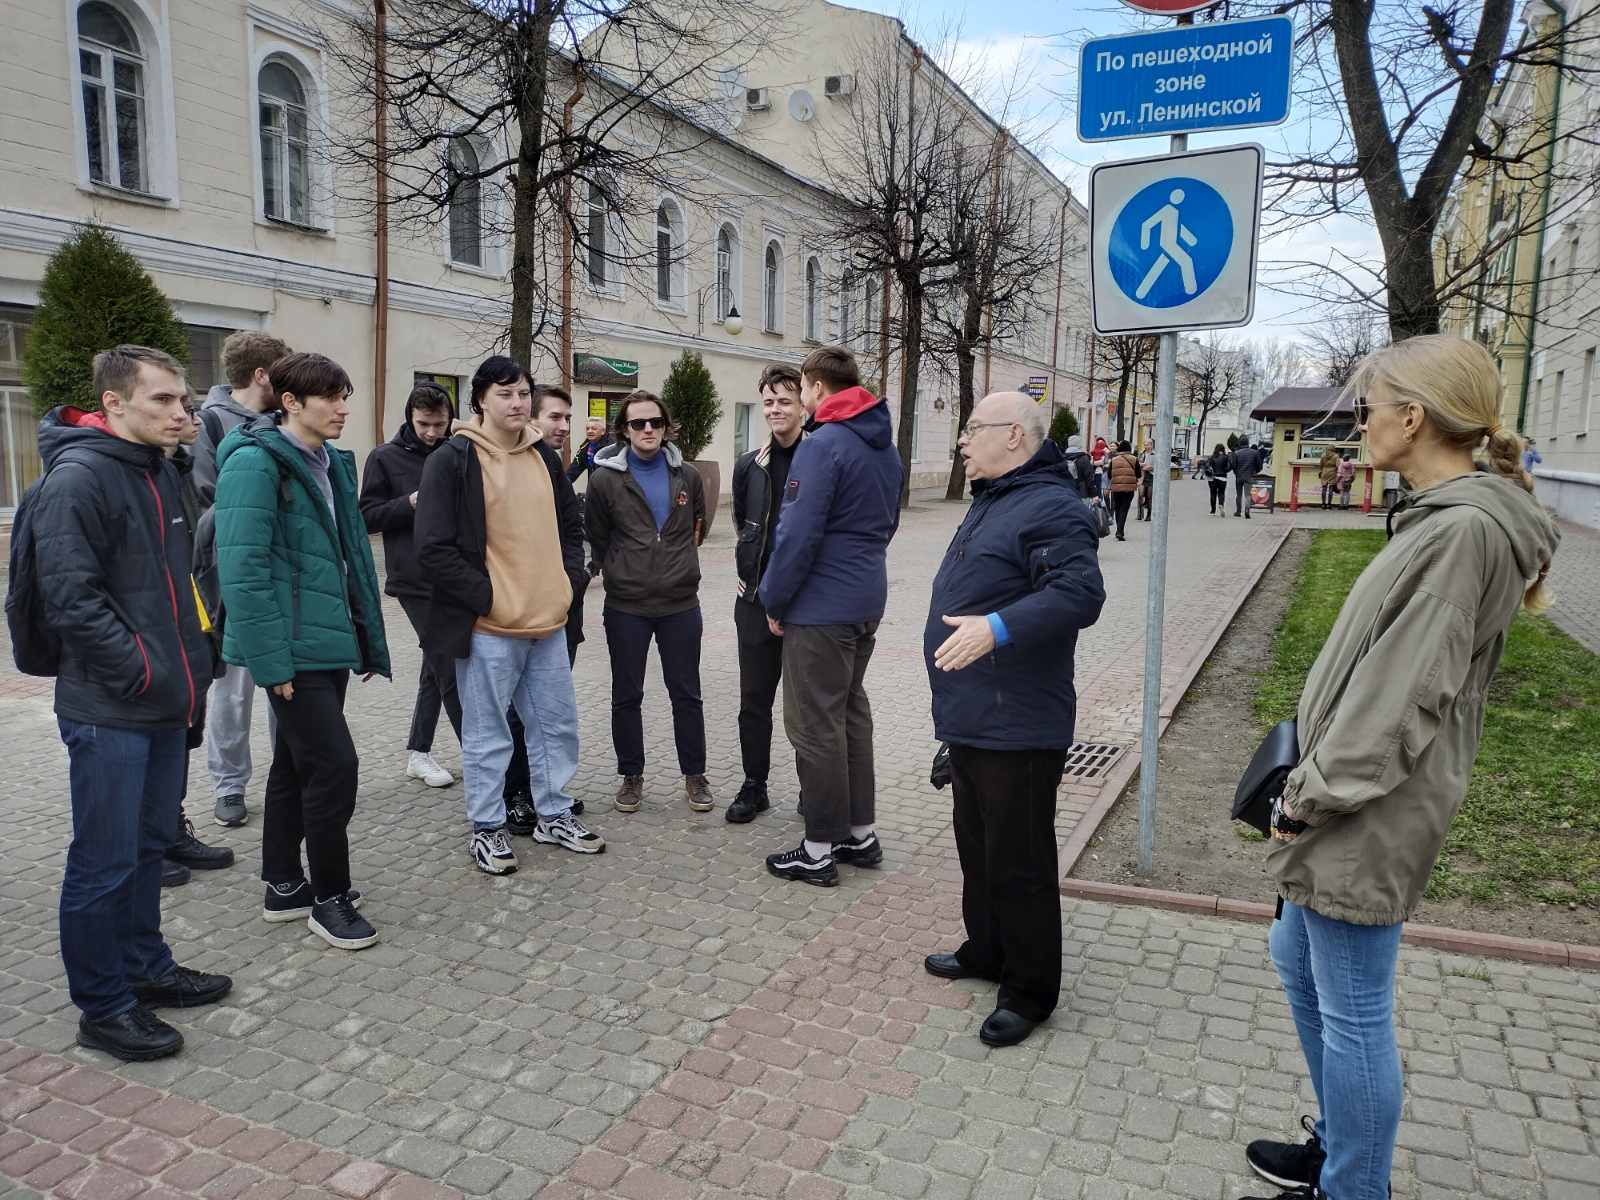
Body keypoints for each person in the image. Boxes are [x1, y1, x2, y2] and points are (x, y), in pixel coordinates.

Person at [1243, 336, 1557, 1200]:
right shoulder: (1448, 518)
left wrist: (1309, 795)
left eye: (1370, 408)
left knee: (1353, 1011)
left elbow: (1401, 696)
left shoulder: (1461, 532)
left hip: (1369, 803)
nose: (1361, 426)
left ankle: (1353, 1187)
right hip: (1354, 792)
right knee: (1294, 957)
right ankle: (1344, 1148)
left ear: (1412, 418)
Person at [32, 346, 229, 1061]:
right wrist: (148, 672)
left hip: (163, 703)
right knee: (103, 861)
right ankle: (104, 1005)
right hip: (112, 708)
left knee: (148, 852)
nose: (183, 414)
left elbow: (172, 593)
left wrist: (192, 670)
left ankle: (146, 970)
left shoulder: (157, 471)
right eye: (164, 402)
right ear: (114, 405)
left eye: (184, 400)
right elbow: (71, 602)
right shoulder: (80, 479)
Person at [922, 391, 1105, 1047]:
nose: (962, 441)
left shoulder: (1054, 506)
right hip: (975, 718)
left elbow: (1080, 594)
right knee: (980, 850)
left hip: (1020, 725)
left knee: (1020, 861)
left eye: (973, 430)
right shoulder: (996, 499)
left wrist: (997, 628)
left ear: (1016, 437)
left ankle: (1029, 990)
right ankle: (987, 951)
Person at [214, 352, 390, 951]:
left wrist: (362, 637)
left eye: (346, 395)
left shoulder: (328, 461)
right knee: (335, 766)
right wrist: (270, 660)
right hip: (288, 648)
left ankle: (285, 885)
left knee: (295, 762)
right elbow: (243, 569)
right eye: (332, 398)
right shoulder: (257, 464)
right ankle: (329, 898)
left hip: (322, 641)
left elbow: (349, 557)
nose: (344, 408)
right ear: (291, 402)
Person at [416, 357, 600, 875]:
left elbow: (571, 525)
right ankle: (487, 826)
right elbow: (433, 548)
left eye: (522, 393)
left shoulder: (543, 456)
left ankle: (554, 813)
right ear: (480, 400)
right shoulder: (452, 460)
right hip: (489, 627)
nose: (517, 403)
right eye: (505, 395)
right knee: (487, 734)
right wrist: (487, 598)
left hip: (549, 621)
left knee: (556, 726)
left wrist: (570, 580)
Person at [759, 345, 902, 886]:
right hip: (866, 599)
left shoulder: (823, 445)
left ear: (815, 388)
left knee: (814, 723)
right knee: (849, 715)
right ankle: (859, 834)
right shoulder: (884, 445)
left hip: (821, 608)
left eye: (802, 389)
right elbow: (887, 524)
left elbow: (797, 534)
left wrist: (775, 599)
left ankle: (818, 848)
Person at [586, 389, 712, 816]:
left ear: (666, 427)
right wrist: (621, 568)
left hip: (680, 602)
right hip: (627, 605)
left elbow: (699, 526)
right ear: (624, 430)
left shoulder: (688, 476)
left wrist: (675, 563)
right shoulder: (605, 479)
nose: (647, 430)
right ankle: (631, 775)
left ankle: (694, 775)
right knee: (626, 694)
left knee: (687, 693)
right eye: (638, 423)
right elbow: (598, 537)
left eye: (654, 423)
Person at [193, 331, 292, 829]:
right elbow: (208, 504)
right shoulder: (209, 424)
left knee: (287, 687)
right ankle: (229, 786)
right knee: (233, 693)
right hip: (233, 578)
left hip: (286, 578)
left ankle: (288, 778)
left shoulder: (286, 421)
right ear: (262, 376)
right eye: (284, 371)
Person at [360, 383, 460, 789]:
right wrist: (412, 503)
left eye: (440, 424)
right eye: (424, 424)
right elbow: (367, 516)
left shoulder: (455, 451)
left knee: (435, 665)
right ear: (409, 417)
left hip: (457, 576)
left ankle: (418, 753)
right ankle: (484, 753)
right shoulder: (384, 457)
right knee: (449, 663)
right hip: (413, 579)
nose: (433, 432)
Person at [500, 383, 589, 830]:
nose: (564, 426)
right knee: (516, 713)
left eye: (568, 419)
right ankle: (514, 794)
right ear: (529, 417)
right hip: (514, 616)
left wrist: (571, 585)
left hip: (559, 611)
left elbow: (572, 535)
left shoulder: (553, 464)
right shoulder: (503, 464)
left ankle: (547, 794)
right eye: (555, 417)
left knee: (550, 712)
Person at [727, 364, 807, 824]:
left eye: (785, 401)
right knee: (754, 701)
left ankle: (809, 789)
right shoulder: (748, 465)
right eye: (770, 401)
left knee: (803, 707)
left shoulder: (818, 457)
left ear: (802, 406)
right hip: (754, 602)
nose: (776, 409)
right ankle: (754, 785)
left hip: (803, 609)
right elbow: (743, 525)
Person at [162, 395, 235, 885]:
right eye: (174, 406)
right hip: (154, 644)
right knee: (152, 743)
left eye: (187, 407)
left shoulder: (179, 475)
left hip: (194, 626)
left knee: (180, 738)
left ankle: (170, 830)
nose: (191, 419)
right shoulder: (110, 478)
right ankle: (147, 847)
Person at [1106, 440, 1139, 541]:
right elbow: (1139, 474)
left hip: (1116, 488)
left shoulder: (1114, 460)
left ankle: (1119, 530)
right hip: (1129, 489)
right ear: (1129, 448)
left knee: (1117, 508)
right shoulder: (1134, 459)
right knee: (1124, 509)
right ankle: (1120, 531)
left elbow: (1109, 475)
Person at [567, 414, 613, 483]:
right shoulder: (585, 447)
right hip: (594, 486)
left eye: (594, 429)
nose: (590, 431)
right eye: (587, 429)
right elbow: (574, 469)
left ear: (603, 431)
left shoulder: (611, 447)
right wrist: (564, 483)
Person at [1231, 439, 1263, 518]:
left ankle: (1238, 511)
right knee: (1248, 495)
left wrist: (1236, 473)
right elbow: (1259, 465)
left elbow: (1233, 466)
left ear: (1240, 444)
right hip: (1249, 476)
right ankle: (1247, 510)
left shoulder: (1236, 453)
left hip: (1239, 476)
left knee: (1239, 494)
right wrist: (1255, 472)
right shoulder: (1255, 452)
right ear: (1248, 443)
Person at [1062, 434, 1096, 499]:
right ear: (1079, 444)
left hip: (1066, 490)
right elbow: (1089, 477)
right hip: (1081, 491)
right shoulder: (1084, 458)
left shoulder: (1062, 458)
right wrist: (1094, 494)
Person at [1204, 443, 1231, 516]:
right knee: (1221, 493)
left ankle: (1212, 511)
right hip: (1222, 477)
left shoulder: (1212, 457)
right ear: (1223, 449)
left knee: (1213, 493)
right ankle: (1221, 505)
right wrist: (1224, 471)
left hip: (1213, 478)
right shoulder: (1226, 457)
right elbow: (1229, 467)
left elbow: (1207, 465)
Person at [1136, 444, 1154, 521]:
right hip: (1141, 476)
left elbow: (1153, 466)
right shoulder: (1141, 454)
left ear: (1151, 445)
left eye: (1148, 444)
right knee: (1140, 495)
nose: (1146, 446)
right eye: (1145, 444)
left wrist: (1145, 466)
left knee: (1149, 496)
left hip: (1151, 476)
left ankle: (1149, 515)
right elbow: (1137, 464)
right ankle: (1140, 514)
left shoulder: (1155, 454)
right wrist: (1144, 465)